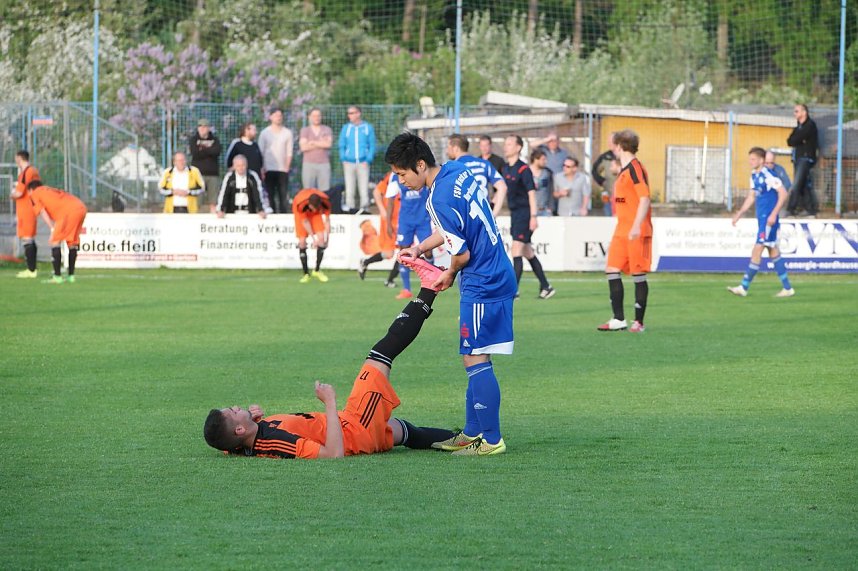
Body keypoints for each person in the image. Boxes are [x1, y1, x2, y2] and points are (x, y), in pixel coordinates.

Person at [203, 287, 456, 459]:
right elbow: (333, 454)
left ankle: (466, 440)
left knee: (407, 432)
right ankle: (430, 288)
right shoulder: (274, 443)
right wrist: (330, 402)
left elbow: (230, 443)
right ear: (239, 431)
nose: (236, 407)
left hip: (354, 425)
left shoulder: (242, 440)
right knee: (380, 354)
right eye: (233, 412)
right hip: (357, 427)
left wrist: (253, 422)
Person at [386, 132, 518, 456]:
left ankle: (491, 439)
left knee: (475, 356)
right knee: (472, 354)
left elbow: (461, 253)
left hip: (481, 278)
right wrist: (419, 248)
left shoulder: (436, 198)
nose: (402, 182)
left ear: (419, 165)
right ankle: (472, 432)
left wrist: (448, 273)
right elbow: (451, 230)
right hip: (497, 269)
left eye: (403, 175)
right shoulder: (457, 171)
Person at [598, 130, 652, 333]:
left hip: (637, 230)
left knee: (638, 274)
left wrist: (637, 225)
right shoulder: (624, 169)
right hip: (622, 229)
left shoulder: (636, 168)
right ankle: (618, 319)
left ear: (620, 146)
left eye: (613, 145)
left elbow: (645, 198)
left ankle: (638, 322)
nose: (612, 148)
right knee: (612, 269)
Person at [727, 147, 795, 298]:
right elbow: (752, 196)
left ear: (761, 160)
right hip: (762, 219)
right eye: (749, 159)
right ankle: (787, 288)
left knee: (757, 249)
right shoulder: (754, 175)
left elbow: (783, 193)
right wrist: (739, 213)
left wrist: (774, 214)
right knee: (773, 251)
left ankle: (743, 287)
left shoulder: (768, 174)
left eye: (753, 159)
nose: (750, 162)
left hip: (769, 220)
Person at [502, 135, 555, 299]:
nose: (506, 147)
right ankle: (546, 287)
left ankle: (513, 291)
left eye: (509, 144)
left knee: (516, 249)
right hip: (515, 213)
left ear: (518, 148)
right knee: (528, 252)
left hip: (525, 214)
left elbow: (532, 194)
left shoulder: (523, 169)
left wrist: (533, 216)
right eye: (506, 144)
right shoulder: (505, 168)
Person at [26, 181, 87, 284]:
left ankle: (57, 277)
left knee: (55, 242)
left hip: (68, 212)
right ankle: (71, 276)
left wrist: (52, 228)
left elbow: (42, 211)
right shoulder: (48, 189)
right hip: (80, 207)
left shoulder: (35, 193)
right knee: (72, 243)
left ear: (31, 190)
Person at [444, 133, 508, 220]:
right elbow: (502, 187)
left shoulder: (452, 167)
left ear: (455, 148)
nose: (446, 151)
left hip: (465, 218)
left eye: (448, 147)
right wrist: (493, 216)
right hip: (484, 217)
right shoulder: (484, 163)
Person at [358, 171, 402, 289]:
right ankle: (365, 262)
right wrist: (382, 210)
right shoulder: (392, 176)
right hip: (389, 220)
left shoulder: (412, 174)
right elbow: (377, 192)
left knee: (404, 250)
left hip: (404, 219)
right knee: (389, 254)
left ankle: (389, 280)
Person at [338, 106, 375, 213]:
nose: (350, 115)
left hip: (363, 163)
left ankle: (365, 211)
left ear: (358, 113)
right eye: (348, 113)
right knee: (349, 190)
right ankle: (351, 211)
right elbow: (341, 144)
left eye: (352, 113)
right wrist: (343, 159)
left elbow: (372, 145)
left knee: (364, 190)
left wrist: (368, 159)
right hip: (349, 163)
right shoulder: (346, 128)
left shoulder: (368, 127)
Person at [786, 104, 819, 217]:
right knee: (803, 184)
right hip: (797, 158)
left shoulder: (810, 125)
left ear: (804, 112)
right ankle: (810, 210)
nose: (794, 113)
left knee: (796, 184)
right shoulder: (797, 127)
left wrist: (798, 139)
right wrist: (798, 139)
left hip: (805, 159)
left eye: (797, 111)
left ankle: (790, 209)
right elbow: (790, 141)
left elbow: (798, 138)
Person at [292, 188, 331, 283]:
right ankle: (306, 274)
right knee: (302, 241)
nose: (314, 210)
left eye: (316, 208)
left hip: (316, 215)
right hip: (300, 213)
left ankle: (317, 270)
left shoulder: (326, 203)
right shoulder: (301, 205)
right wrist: (314, 239)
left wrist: (327, 239)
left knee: (321, 238)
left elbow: (327, 220)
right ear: (309, 205)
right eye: (313, 208)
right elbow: (305, 222)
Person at [11, 150, 41, 278]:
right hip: (30, 208)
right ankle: (32, 268)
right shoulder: (33, 172)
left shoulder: (26, 172)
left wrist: (11, 195)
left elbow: (19, 193)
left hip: (26, 209)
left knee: (27, 238)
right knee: (30, 238)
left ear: (19, 158)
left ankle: (31, 270)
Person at [258, 108, 294, 213]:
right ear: (270, 117)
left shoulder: (287, 133)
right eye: (276, 115)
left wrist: (286, 167)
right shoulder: (265, 133)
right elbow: (261, 152)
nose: (278, 118)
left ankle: (283, 216)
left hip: (282, 169)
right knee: (270, 195)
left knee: (283, 195)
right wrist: (262, 168)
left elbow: (289, 152)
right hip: (268, 169)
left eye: (280, 115)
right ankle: (272, 216)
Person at [188, 119, 222, 212]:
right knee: (197, 201)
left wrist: (202, 149)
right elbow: (195, 153)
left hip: (213, 174)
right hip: (198, 174)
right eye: (200, 126)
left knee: (213, 201)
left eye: (205, 126)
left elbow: (216, 151)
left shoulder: (215, 139)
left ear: (209, 128)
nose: (202, 129)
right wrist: (208, 150)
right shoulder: (193, 139)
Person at [299, 108, 333, 192]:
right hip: (308, 164)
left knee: (325, 191)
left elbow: (328, 144)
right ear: (309, 117)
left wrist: (312, 142)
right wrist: (321, 143)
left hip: (324, 164)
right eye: (314, 116)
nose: (316, 118)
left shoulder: (327, 130)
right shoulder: (305, 131)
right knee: (308, 191)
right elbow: (303, 147)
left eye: (318, 115)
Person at [591, 140, 617, 216]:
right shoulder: (605, 156)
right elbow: (594, 170)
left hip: (619, 198)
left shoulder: (624, 156)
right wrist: (602, 182)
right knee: (607, 212)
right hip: (606, 192)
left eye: (612, 166)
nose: (610, 168)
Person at [529, 149, 555, 217]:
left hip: (544, 210)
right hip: (530, 210)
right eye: (543, 159)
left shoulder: (547, 173)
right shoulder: (526, 172)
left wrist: (550, 207)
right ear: (536, 159)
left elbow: (550, 191)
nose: (545, 162)